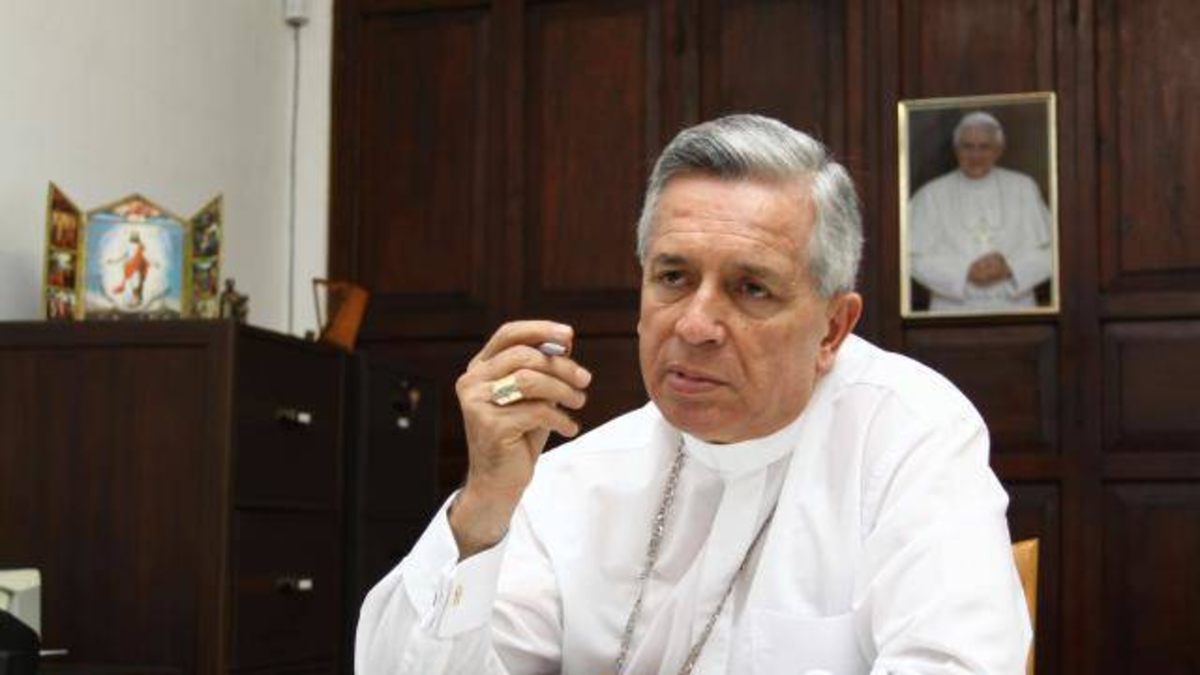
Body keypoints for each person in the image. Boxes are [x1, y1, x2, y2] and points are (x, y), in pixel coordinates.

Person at [356, 115, 1031, 674]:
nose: (695, 325)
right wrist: (483, 506)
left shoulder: (910, 437)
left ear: (833, 328)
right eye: (673, 277)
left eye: (751, 288)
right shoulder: (575, 478)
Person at [908, 111, 1053, 312]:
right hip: (951, 309)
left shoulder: (1024, 188)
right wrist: (964, 272)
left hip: (1016, 307)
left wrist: (1010, 269)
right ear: (956, 149)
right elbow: (911, 259)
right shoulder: (930, 195)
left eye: (984, 147)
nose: (975, 155)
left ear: (998, 150)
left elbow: (1053, 252)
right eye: (968, 147)